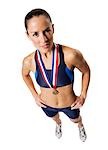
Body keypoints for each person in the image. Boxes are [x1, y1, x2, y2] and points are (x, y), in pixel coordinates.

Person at [22, 8, 90, 142]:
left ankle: (80, 126)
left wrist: (83, 95)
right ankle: (58, 124)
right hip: (46, 104)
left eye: (47, 31)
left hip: (71, 104)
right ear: (28, 35)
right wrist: (35, 96)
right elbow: (25, 75)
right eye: (35, 34)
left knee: (76, 119)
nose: (43, 39)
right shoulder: (29, 61)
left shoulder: (71, 55)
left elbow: (86, 71)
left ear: (53, 29)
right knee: (54, 118)